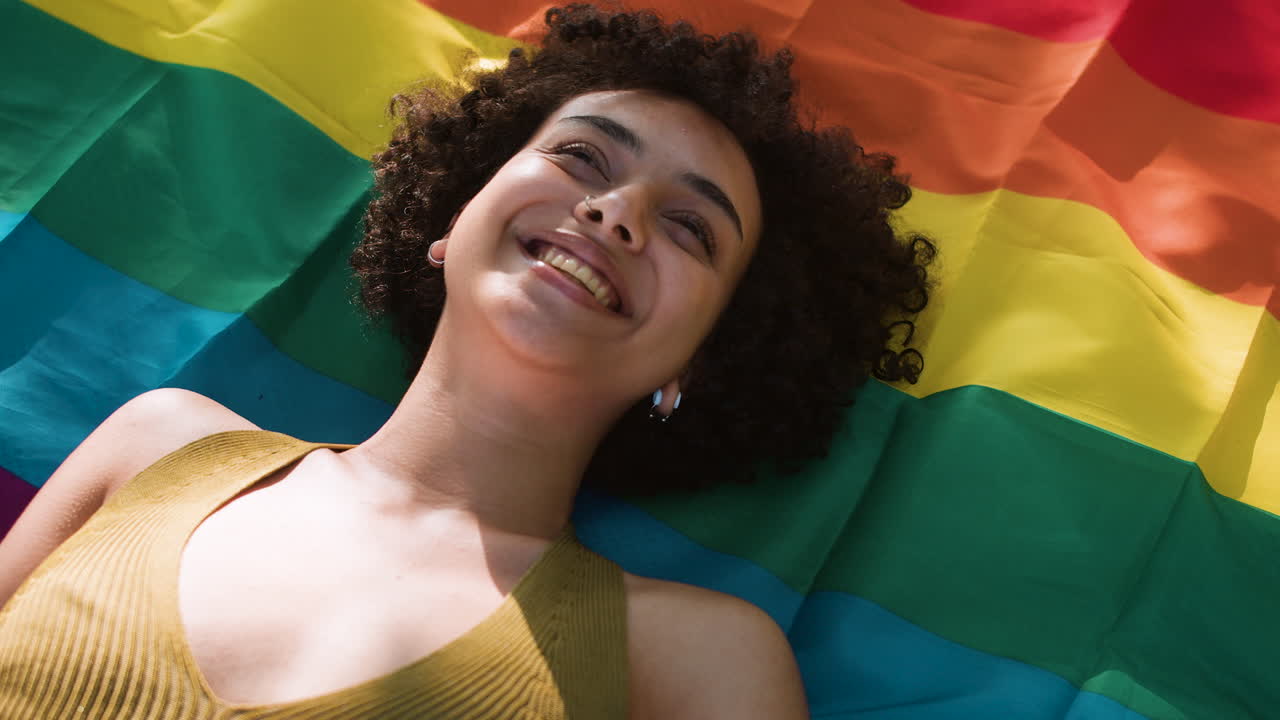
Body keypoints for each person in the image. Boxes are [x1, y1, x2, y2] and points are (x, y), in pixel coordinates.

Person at [0, 4, 933, 718]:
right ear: (454, 216)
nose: (616, 213)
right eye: (582, 156)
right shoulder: (157, 444)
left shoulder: (697, 660)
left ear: (702, 357)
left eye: (691, 227)